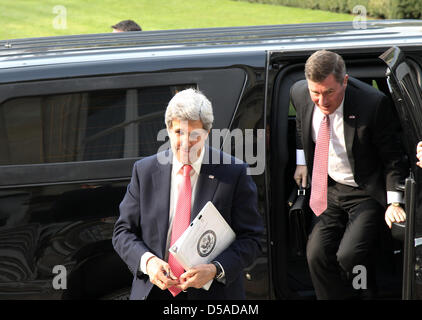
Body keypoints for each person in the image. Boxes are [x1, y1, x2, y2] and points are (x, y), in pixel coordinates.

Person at [112, 88, 264, 300]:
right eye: (178, 133)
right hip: (155, 291)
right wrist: (148, 262)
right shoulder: (144, 171)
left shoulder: (233, 173)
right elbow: (122, 232)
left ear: (207, 133)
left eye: (194, 135)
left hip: (212, 295)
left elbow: (252, 239)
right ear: (168, 130)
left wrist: (215, 269)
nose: (185, 143)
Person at [291, 50, 408, 299]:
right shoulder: (299, 93)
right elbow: (301, 125)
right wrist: (302, 161)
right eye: (316, 93)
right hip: (328, 188)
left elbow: (393, 157)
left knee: (348, 255)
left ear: (344, 81)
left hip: (364, 191)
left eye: (329, 92)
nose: (322, 101)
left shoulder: (372, 104)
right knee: (316, 256)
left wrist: (394, 200)